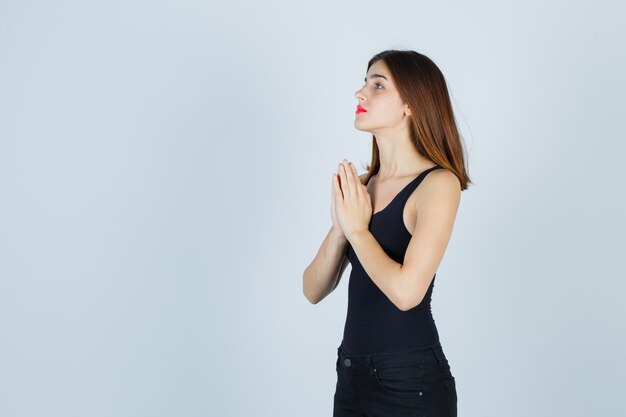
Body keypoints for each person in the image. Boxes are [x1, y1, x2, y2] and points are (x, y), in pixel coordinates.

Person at [302, 49, 471, 417]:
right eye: (364, 83)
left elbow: (407, 293)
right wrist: (340, 229)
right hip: (351, 377)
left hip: (408, 383)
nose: (361, 93)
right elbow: (312, 289)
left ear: (411, 104)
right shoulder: (363, 185)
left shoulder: (438, 184)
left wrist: (358, 230)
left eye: (378, 85)